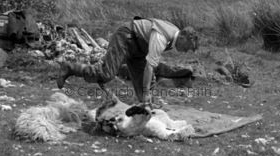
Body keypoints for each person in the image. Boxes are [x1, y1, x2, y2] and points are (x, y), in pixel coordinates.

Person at [56, 17, 198, 107]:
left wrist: (146, 89)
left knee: (145, 84)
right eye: (187, 48)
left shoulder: (174, 34)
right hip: (126, 38)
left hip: (138, 47)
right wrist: (147, 90)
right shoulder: (162, 37)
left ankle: (145, 111)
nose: (186, 52)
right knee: (106, 74)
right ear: (183, 38)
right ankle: (71, 68)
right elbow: (150, 66)